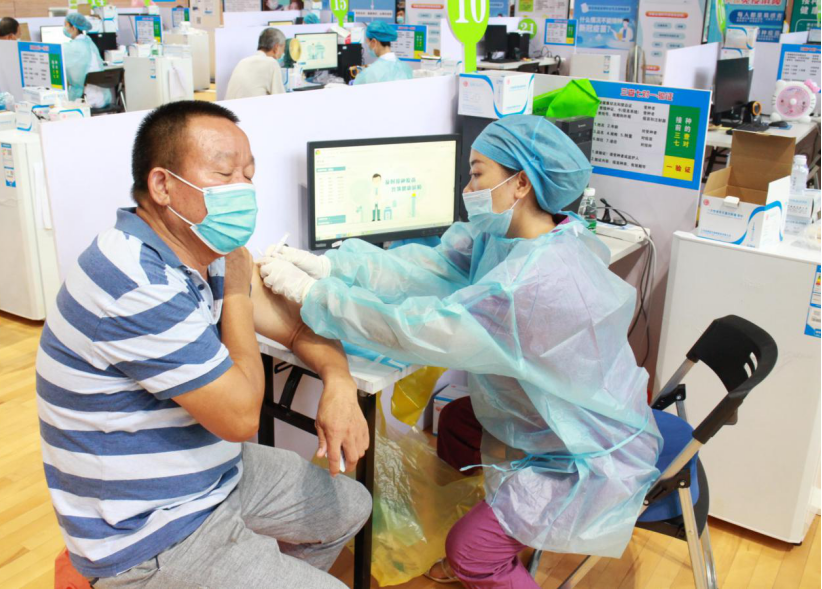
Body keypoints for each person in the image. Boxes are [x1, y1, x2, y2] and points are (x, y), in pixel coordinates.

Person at [258, 115, 662, 588]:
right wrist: (333, 267)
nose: (468, 188)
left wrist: (314, 296)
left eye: (476, 174)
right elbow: (428, 268)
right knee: (454, 422)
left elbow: (422, 329)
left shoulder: (533, 284)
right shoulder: (511, 236)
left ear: (521, 184)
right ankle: (483, 523)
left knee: (469, 551)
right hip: (549, 414)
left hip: (583, 451)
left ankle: (480, 554)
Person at [36, 100, 372, 588]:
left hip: (211, 475)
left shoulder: (201, 248)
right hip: (147, 532)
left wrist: (339, 381)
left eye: (248, 174)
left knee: (349, 505)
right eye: (223, 173)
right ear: (162, 185)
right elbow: (241, 419)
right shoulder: (134, 281)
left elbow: (299, 330)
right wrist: (236, 291)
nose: (243, 189)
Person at [62, 13, 111, 108]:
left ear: (74, 28)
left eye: (66, 25)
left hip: (86, 99)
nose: (64, 28)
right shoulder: (89, 41)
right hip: (103, 97)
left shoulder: (73, 47)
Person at [226, 28, 286, 100]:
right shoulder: (272, 63)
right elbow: (280, 98)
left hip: (228, 106)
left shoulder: (242, 62)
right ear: (276, 47)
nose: (283, 53)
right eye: (283, 48)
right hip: (250, 106)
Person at [353, 22, 413, 86]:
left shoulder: (370, 73)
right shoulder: (406, 68)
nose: (367, 46)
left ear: (373, 42)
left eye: (367, 42)